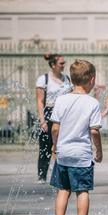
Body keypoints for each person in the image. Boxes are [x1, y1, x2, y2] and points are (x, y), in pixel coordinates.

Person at [49, 59, 102, 215]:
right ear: (92, 79)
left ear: (71, 79)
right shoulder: (92, 103)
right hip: (82, 156)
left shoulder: (61, 100)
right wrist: (99, 150)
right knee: (82, 191)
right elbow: (94, 131)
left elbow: (55, 128)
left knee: (63, 190)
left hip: (63, 153)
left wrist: (55, 146)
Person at [35, 53, 73, 183]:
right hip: (49, 113)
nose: (64, 65)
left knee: (62, 145)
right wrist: (42, 120)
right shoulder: (43, 79)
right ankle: (42, 175)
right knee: (46, 146)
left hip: (64, 115)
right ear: (53, 65)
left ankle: (61, 173)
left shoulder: (67, 78)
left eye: (64, 63)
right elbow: (40, 101)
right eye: (61, 63)